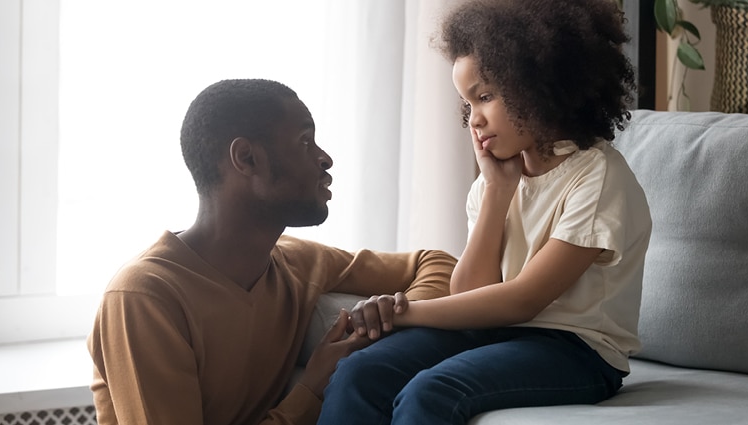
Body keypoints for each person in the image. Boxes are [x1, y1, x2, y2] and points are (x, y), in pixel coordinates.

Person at [317, 0, 653, 423]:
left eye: (485, 97)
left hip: (576, 350)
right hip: (496, 334)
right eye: (467, 104)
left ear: (538, 86)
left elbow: (523, 300)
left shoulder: (597, 177)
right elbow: (470, 292)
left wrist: (404, 313)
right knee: (359, 372)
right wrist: (497, 191)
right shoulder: (494, 183)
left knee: (432, 392)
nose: (473, 120)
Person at [86, 78, 456, 425]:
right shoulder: (144, 297)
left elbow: (436, 263)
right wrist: (311, 390)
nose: (325, 159)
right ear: (246, 158)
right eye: (305, 142)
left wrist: (397, 321)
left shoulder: (297, 262)